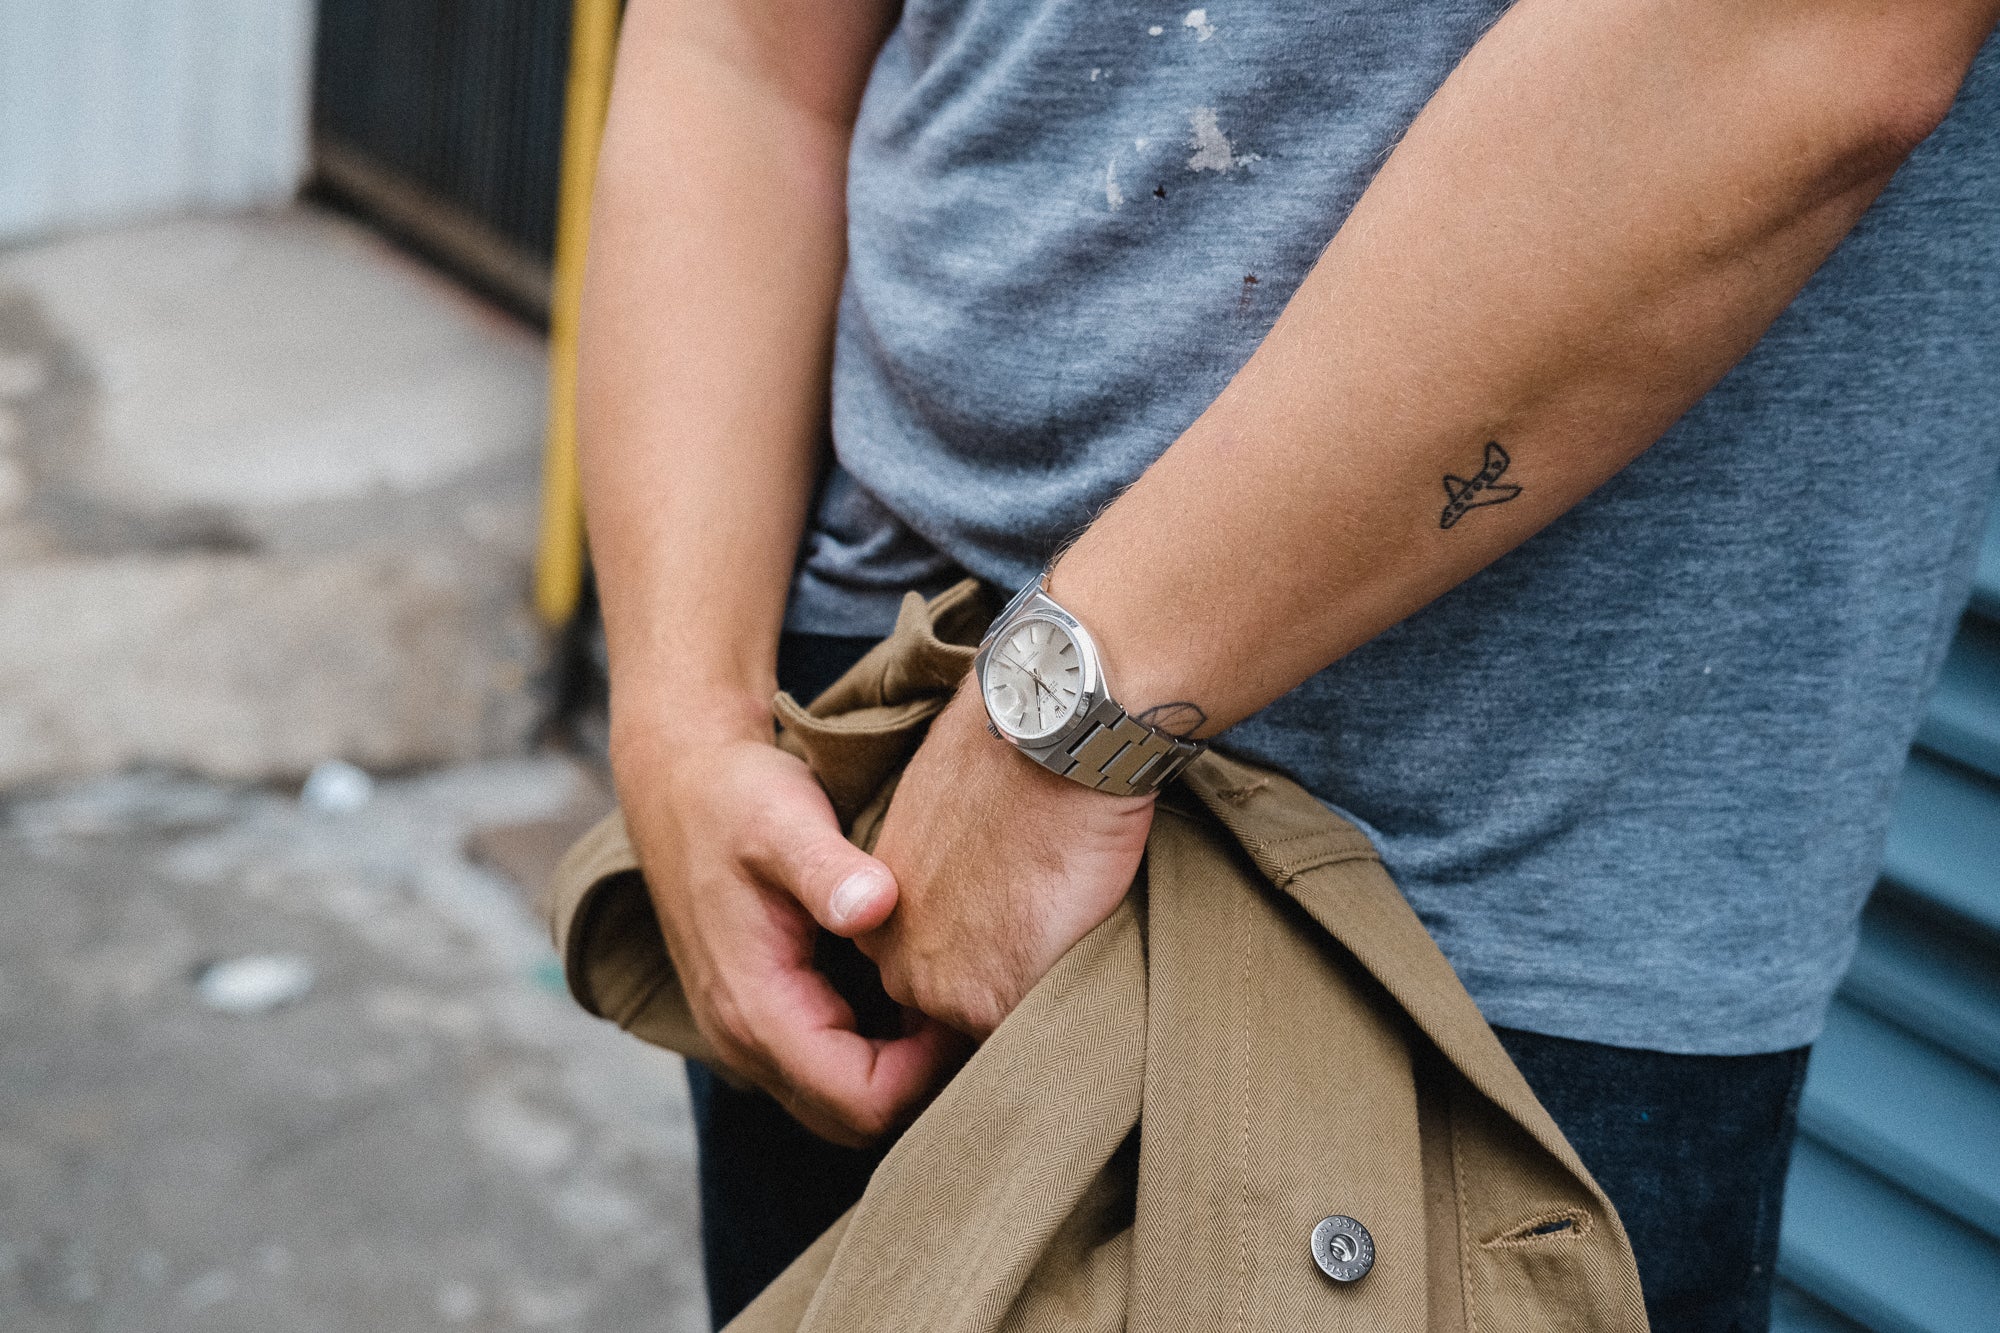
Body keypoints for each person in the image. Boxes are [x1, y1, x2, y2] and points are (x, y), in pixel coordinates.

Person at [577, 1, 2000, 1329]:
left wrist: (1071, 709)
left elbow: (1800, 41)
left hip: (1481, 916)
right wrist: (682, 719)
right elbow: (743, 52)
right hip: (853, 762)